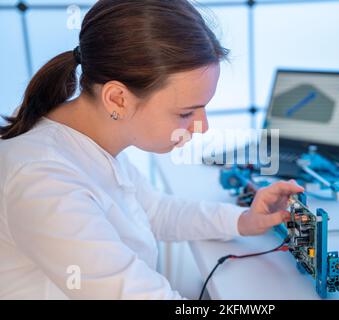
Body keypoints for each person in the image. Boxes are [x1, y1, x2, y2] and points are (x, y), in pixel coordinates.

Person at [0, 0, 303, 299]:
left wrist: (243, 220)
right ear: (117, 98)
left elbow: (153, 210)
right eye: (186, 113)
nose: (203, 127)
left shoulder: (88, 139)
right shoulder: (43, 181)